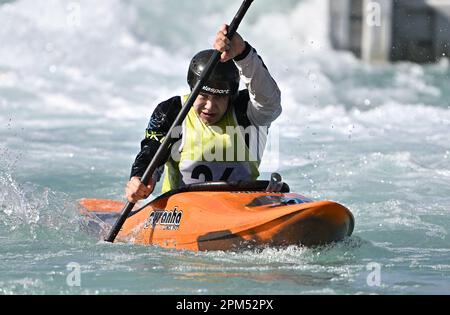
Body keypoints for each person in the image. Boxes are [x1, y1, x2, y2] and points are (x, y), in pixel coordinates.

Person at [125, 24, 282, 203]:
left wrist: (243, 53)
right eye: (203, 96)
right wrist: (141, 179)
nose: (209, 106)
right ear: (192, 90)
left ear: (230, 96)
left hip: (242, 208)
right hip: (183, 211)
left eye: (219, 98)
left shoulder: (247, 112)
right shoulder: (173, 112)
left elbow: (270, 102)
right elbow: (151, 153)